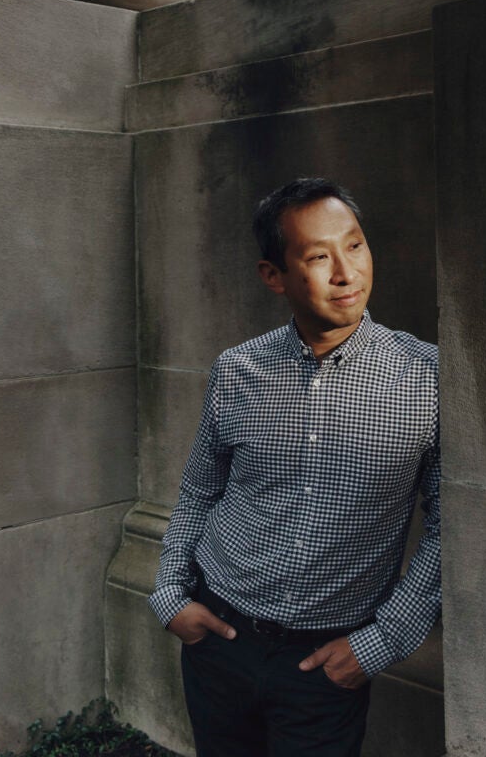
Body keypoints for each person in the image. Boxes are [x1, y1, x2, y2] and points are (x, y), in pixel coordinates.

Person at [149, 178, 441, 756]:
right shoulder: (237, 370)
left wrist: (381, 642)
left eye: (354, 245)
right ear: (273, 276)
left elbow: (451, 524)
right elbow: (199, 491)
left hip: (325, 663)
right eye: (317, 256)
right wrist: (169, 593)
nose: (345, 273)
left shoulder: (427, 377)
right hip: (218, 639)